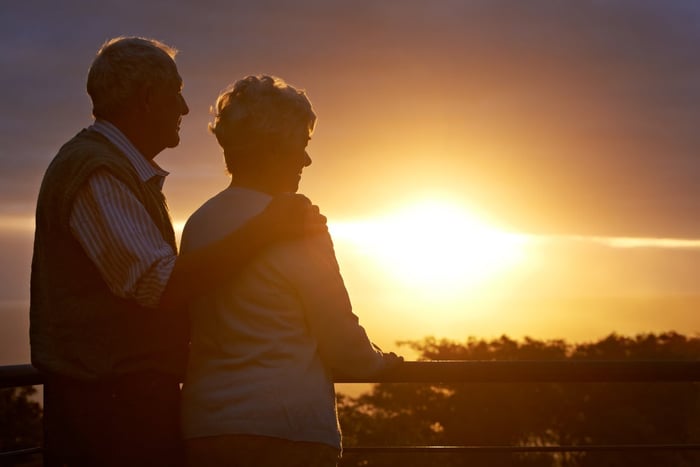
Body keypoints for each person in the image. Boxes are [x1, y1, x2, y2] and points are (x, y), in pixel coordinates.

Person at [30, 38, 324, 467]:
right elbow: (159, 282)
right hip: (112, 412)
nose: (185, 108)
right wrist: (267, 229)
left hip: (117, 403)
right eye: (176, 93)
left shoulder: (113, 169)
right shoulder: (97, 172)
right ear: (147, 99)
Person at [180, 74, 403, 467]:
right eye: (301, 145)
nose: (306, 160)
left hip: (207, 431)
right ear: (272, 148)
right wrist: (380, 362)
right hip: (287, 432)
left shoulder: (198, 224)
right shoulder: (300, 223)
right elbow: (340, 340)